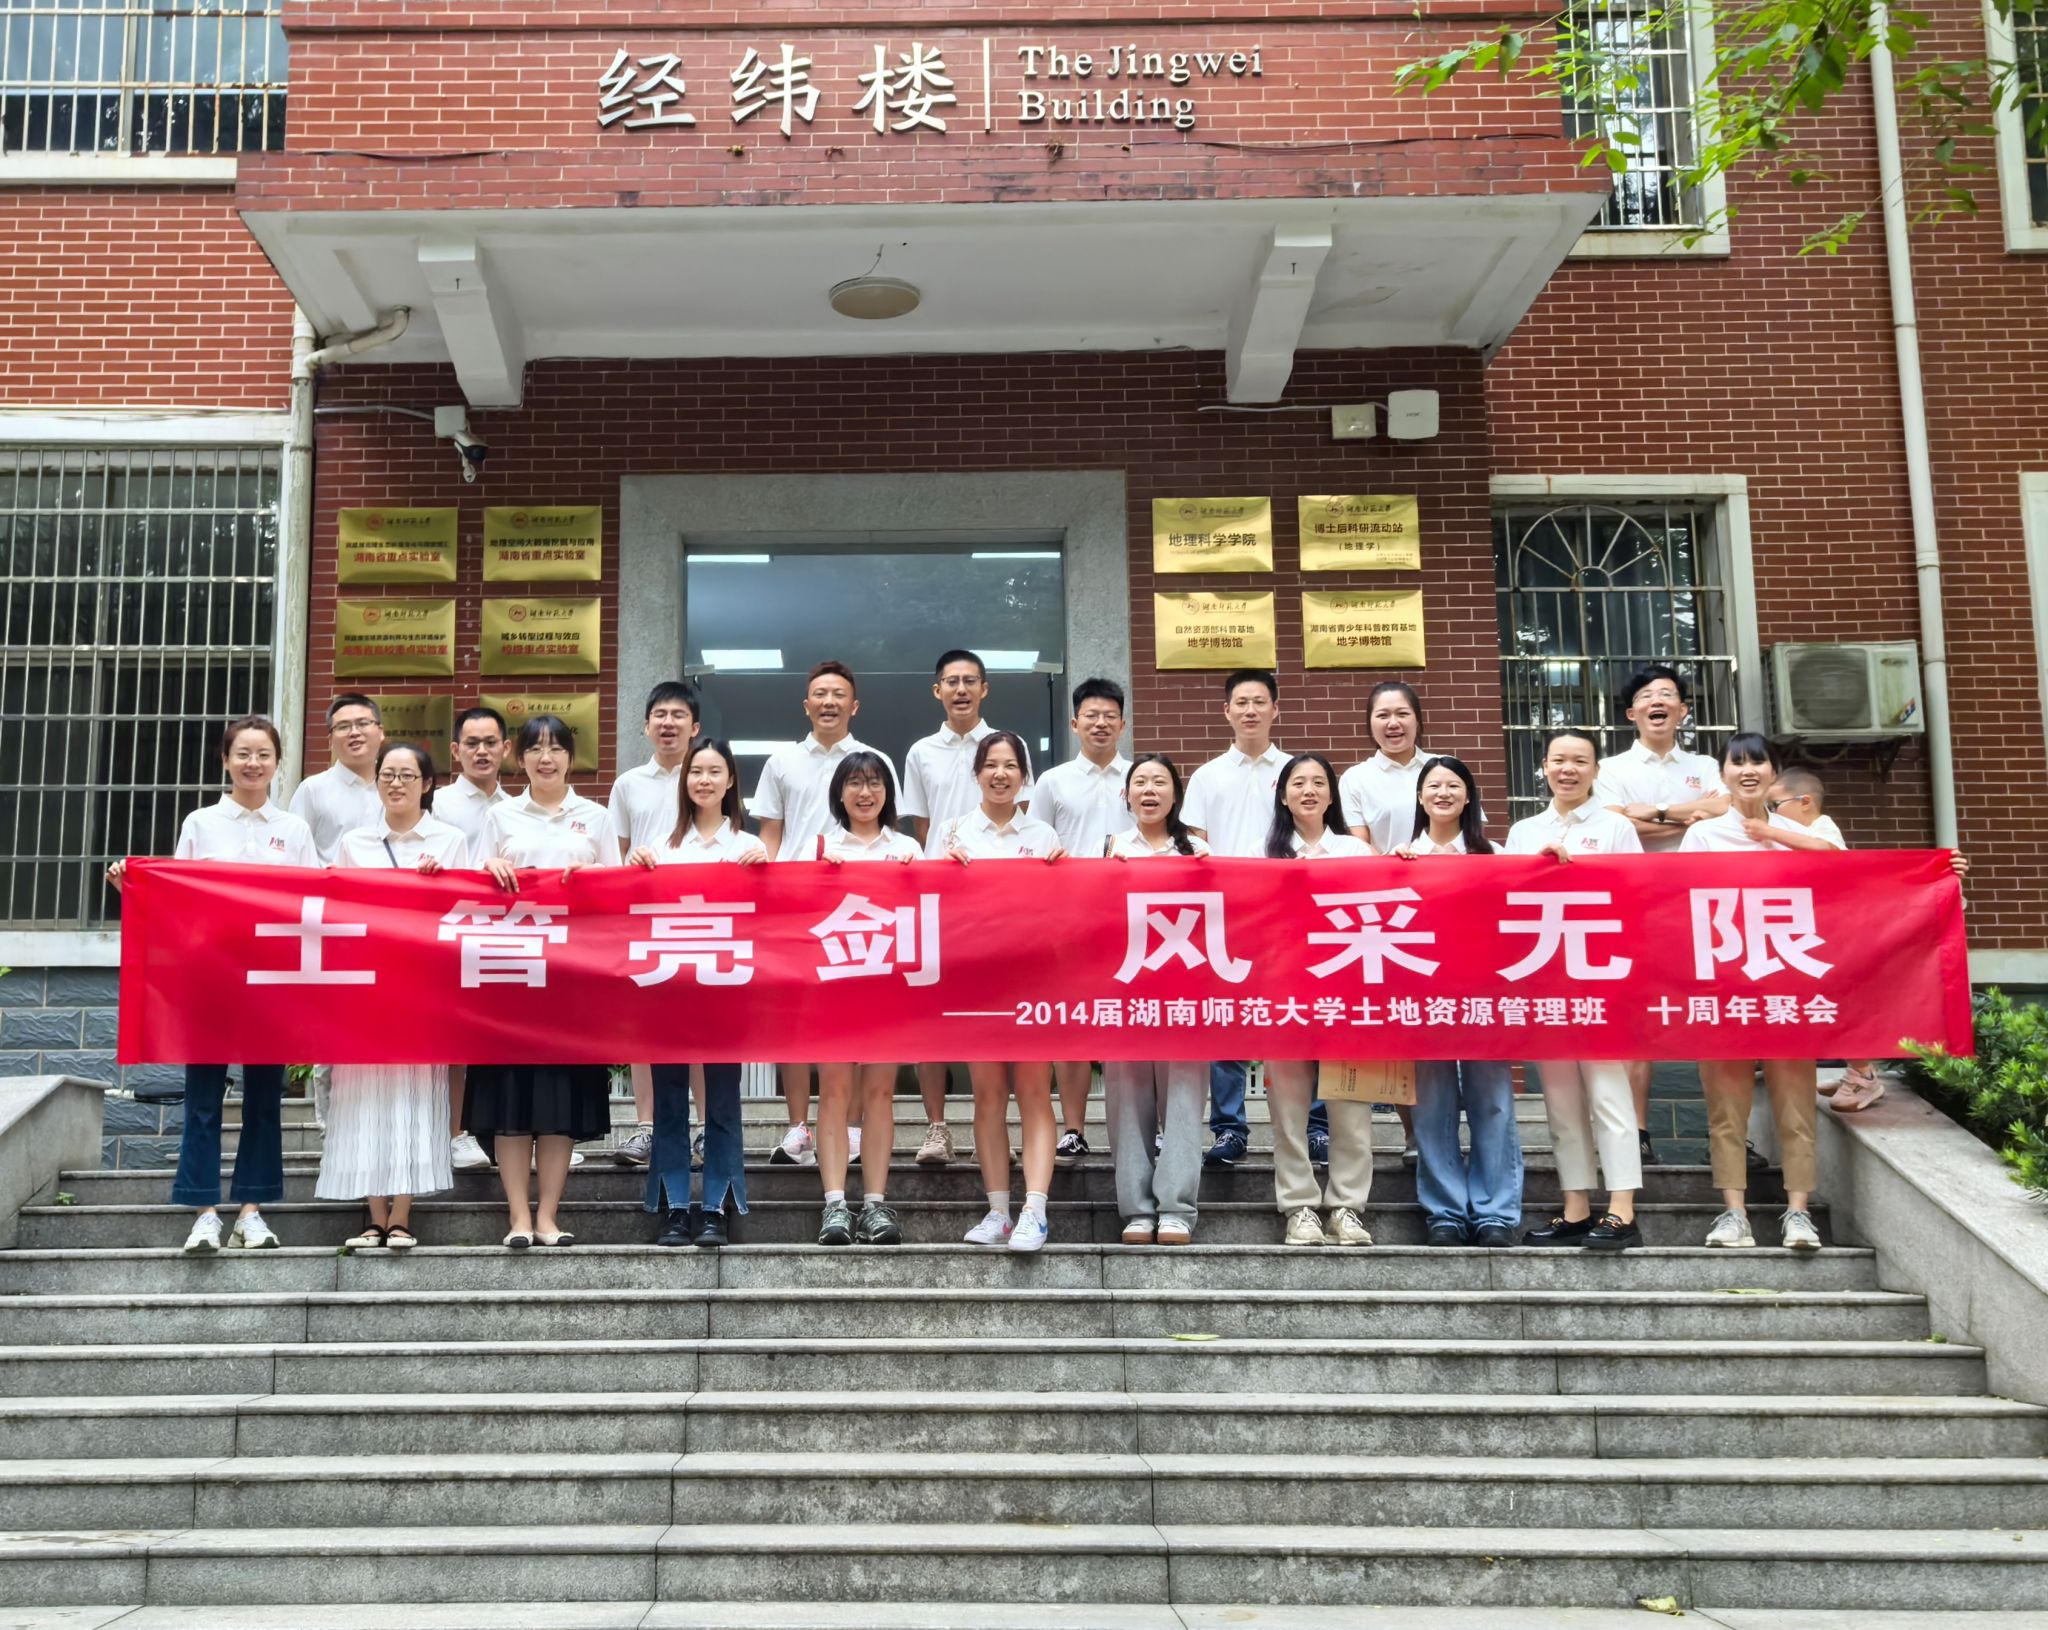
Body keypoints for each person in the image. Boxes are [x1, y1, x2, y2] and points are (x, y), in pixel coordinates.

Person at [106, 715, 317, 1253]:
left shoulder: (293, 830)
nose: (253, 763)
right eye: (242, 753)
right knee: (203, 1097)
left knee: (263, 1099)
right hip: (209, 980)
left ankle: (251, 1211)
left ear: (278, 763)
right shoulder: (201, 823)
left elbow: (314, 899)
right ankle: (204, 1212)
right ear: (225, 760)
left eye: (263, 754)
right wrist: (135, 886)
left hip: (271, 980)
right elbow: (175, 897)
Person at [468, 714, 619, 1249]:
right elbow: (470, 891)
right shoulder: (500, 816)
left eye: (556, 748)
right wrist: (487, 869)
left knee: (559, 1104)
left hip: (571, 983)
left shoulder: (595, 818)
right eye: (535, 748)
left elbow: (618, 896)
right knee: (511, 1103)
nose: (546, 758)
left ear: (571, 758)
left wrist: (596, 880)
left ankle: (549, 1217)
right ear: (520, 758)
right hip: (510, 976)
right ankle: (517, 1217)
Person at [1679, 733, 1834, 1250]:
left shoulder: (1798, 833)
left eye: (1758, 762)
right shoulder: (1703, 836)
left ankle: (1799, 1214)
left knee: (1797, 1106)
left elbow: (1847, 876)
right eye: (1737, 762)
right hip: (1724, 989)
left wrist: (1771, 833)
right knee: (1726, 1109)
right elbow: (1678, 903)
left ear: (1773, 772)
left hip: (1789, 989)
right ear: (1722, 773)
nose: (1747, 770)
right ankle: (1734, 1215)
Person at [752, 660, 900, 1169]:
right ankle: (799, 1125)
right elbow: (771, 833)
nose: (829, 701)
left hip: (860, 911)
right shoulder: (782, 761)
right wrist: (768, 895)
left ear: (854, 705)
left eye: (839, 694)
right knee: (797, 1018)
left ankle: (852, 1127)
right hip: (797, 906)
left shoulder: (875, 760)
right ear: (806, 704)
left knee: (854, 1017)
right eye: (820, 694)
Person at [319, 741, 467, 1248]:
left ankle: (402, 1214)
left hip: (423, 990)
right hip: (364, 987)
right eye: (387, 774)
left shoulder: (450, 842)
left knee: (414, 1096)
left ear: (427, 784)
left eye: (407, 775)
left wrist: (442, 884)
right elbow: (336, 910)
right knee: (363, 1098)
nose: (396, 783)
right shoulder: (354, 843)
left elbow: (465, 914)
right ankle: (373, 1214)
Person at [1506, 728, 1644, 1252]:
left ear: (1596, 770)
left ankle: (1622, 1210)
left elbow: (1636, 897)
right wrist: (1532, 870)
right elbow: (1503, 901)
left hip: (1601, 983)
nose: (1568, 769)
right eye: (1559, 760)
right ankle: (1576, 1208)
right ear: (1543, 767)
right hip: (1545, 983)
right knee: (1561, 1102)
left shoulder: (1616, 827)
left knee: (1609, 1096)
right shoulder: (1524, 831)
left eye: (1580, 761)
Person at [901, 650, 1036, 1168]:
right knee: (932, 1018)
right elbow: (923, 827)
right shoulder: (920, 752)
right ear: (937, 690)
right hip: (943, 903)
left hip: (1003, 912)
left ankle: (1009, 1128)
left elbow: (1024, 818)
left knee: (1004, 1017)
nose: (961, 689)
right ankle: (937, 1127)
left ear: (985, 689)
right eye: (951, 682)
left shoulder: (1009, 746)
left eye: (970, 681)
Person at [626, 737, 761, 1248]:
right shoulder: (660, 849)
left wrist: (763, 871)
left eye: (714, 771)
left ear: (730, 781)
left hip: (728, 992)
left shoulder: (748, 847)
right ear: (685, 782)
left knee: (722, 1102)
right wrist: (634, 873)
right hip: (670, 991)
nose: (704, 780)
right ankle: (674, 1207)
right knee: (668, 1102)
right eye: (696, 771)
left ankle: (717, 1207)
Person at [1594, 664, 1729, 1163]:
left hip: (1701, 903)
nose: (1658, 701)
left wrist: (1651, 813)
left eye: (1668, 694)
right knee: (1637, 1018)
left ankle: (1728, 1135)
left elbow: (1724, 810)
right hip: (1636, 903)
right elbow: (1612, 825)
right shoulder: (1610, 769)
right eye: (1647, 695)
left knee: (1713, 1014)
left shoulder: (1707, 765)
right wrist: (1689, 816)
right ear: (1632, 713)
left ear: (1683, 710)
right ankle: (1638, 1133)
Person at [1393, 756, 1523, 1248]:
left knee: (1493, 1102)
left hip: (1485, 996)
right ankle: (1444, 1210)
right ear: (1420, 797)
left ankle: (1496, 1212)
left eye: (1453, 785)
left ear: (1469, 796)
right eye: (1433, 786)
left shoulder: (1496, 855)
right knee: (1432, 1106)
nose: (1443, 793)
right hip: (1425, 999)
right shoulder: (1401, 858)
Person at [942, 731, 1064, 1252]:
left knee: (1034, 1092)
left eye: (1011, 765)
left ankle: (1035, 1209)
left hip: (1034, 981)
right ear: (976, 774)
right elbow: (928, 904)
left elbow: (1063, 909)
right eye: (990, 764)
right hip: (976, 983)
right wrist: (942, 871)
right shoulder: (952, 833)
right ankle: (998, 1211)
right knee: (988, 1095)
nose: (1000, 774)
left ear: (1024, 776)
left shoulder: (1043, 834)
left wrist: (1062, 873)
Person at [1261, 753, 1378, 1248]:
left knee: (1350, 1105)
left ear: (1332, 795)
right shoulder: (1260, 854)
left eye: (1318, 783)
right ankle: (1300, 1207)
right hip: (1284, 995)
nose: (1308, 790)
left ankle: (1347, 1207)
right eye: (1298, 783)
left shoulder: (1356, 851)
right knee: (1288, 1110)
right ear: (1283, 795)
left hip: (1346, 994)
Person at [1181, 668, 1291, 1169]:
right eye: (1241, 703)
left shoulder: (1294, 770)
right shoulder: (1207, 776)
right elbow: (1195, 843)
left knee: (1295, 1017)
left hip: (1285, 913)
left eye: (1259, 701)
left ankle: (1313, 1127)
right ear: (1226, 711)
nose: (1250, 710)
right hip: (1225, 914)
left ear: (1275, 709)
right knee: (1225, 1020)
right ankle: (1229, 1127)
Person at [813, 751, 924, 1247]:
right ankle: (835, 1204)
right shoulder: (819, 847)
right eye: (855, 783)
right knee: (834, 1093)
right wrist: (819, 874)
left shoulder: (908, 848)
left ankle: (876, 1204)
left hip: (888, 988)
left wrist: (919, 874)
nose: (865, 792)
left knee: (880, 1093)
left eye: (875, 782)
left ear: (888, 792)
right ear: (839, 793)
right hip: (834, 987)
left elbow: (931, 910)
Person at [1104, 755, 1210, 1244]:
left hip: (1184, 994)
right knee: (1126, 1101)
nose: (1149, 791)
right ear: (1126, 795)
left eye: (1159, 782)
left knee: (1184, 1099)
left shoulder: (1200, 852)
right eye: (1140, 782)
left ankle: (1176, 1208)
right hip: (1124, 993)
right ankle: (1136, 1209)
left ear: (1175, 794)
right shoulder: (1109, 850)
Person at [1029, 677, 1134, 1168]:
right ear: (1074, 723)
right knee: (1071, 1024)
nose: (1100, 723)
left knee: (1124, 1023)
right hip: (1067, 917)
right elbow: (1036, 841)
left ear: (1123, 724)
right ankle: (1073, 1129)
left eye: (1110, 716)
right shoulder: (1052, 782)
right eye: (1091, 715)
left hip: (1128, 917)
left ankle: (1135, 1130)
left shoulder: (1139, 776)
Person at [609, 680, 704, 1172]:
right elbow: (616, 852)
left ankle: (706, 1128)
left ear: (695, 726)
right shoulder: (628, 784)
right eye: (660, 715)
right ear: (646, 726)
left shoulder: (707, 776)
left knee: (704, 1027)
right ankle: (648, 1126)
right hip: (645, 917)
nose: (669, 723)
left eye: (678, 715)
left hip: (703, 916)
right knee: (645, 1027)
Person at [434, 706, 512, 1173]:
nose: (481, 752)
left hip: (504, 940)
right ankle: (454, 1134)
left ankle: (509, 1135)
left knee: (499, 1041)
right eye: (471, 743)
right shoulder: (438, 803)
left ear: (506, 749)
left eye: (490, 743)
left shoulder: (516, 806)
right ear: (455, 750)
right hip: (449, 936)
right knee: (454, 1044)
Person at [290, 692, 385, 862]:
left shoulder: (397, 787)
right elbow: (294, 850)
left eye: (363, 723)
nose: (354, 732)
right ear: (330, 740)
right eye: (343, 726)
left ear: (381, 732)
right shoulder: (313, 789)